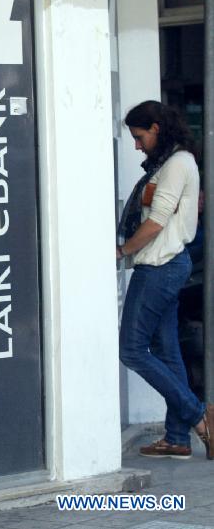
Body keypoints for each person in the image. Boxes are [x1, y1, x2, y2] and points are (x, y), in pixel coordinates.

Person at [116, 100, 213, 460]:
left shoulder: (177, 163)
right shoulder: (171, 162)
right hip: (168, 264)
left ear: (156, 127)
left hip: (160, 266)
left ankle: (198, 414)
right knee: (167, 351)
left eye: (139, 137)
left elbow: (156, 222)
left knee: (131, 349)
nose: (137, 145)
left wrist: (122, 251)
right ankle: (177, 438)